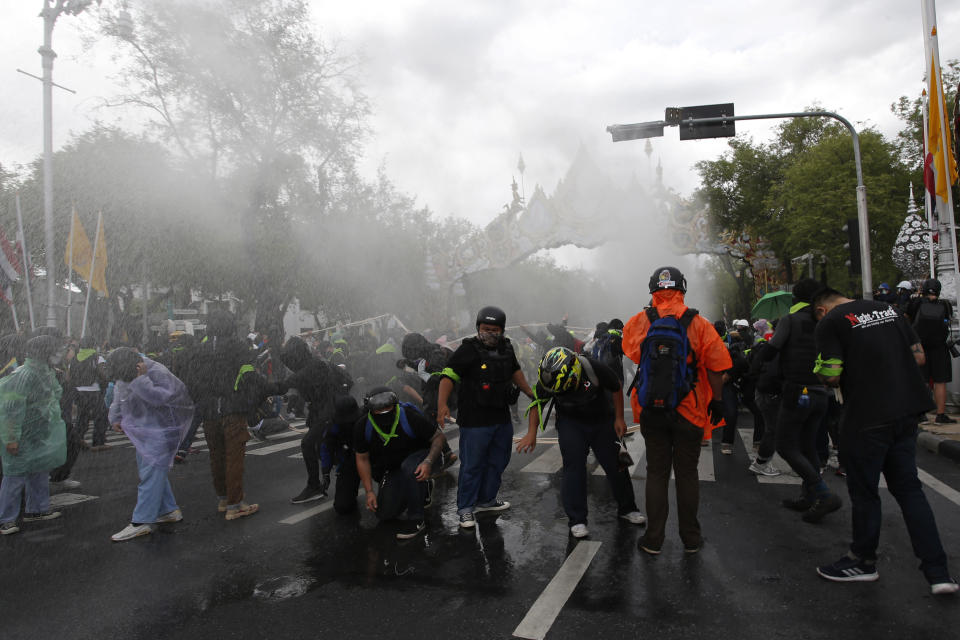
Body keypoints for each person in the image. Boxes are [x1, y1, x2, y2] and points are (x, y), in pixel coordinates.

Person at [812, 287, 958, 594]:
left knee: (865, 492)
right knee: (909, 490)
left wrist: (822, 369)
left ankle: (862, 561)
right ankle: (938, 573)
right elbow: (919, 357)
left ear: (821, 310)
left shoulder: (831, 322)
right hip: (907, 411)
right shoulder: (888, 310)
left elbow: (833, 374)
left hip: (867, 415)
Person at [622, 266, 732, 554]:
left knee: (656, 472)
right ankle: (691, 539)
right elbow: (717, 367)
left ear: (652, 290)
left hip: (652, 410)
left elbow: (632, 352)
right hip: (691, 410)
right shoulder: (699, 323)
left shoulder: (640, 321)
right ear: (682, 288)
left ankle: (654, 540)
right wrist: (717, 401)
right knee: (687, 474)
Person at [516, 347, 646, 538]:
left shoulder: (594, 368)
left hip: (602, 420)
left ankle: (628, 508)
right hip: (571, 422)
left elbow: (616, 387)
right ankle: (577, 520)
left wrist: (619, 418)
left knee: (616, 465)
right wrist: (531, 432)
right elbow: (537, 403)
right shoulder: (549, 377)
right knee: (573, 467)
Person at [438, 306, 535, 529]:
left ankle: (486, 500)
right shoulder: (467, 350)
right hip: (474, 420)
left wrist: (530, 392)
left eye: (494, 329)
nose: (489, 332)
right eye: (485, 328)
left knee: (498, 461)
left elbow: (515, 371)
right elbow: (448, 376)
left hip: (501, 417)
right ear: (478, 328)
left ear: (501, 330)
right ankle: (465, 508)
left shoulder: (507, 348)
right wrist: (442, 404)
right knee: (472, 465)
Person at [763, 278, 843, 523]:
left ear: (795, 298)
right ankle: (808, 497)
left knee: (786, 445)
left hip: (798, 391)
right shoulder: (826, 322)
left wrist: (761, 351)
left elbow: (772, 349)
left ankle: (822, 492)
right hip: (821, 393)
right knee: (808, 445)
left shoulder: (790, 320)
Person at [106, 348, 194, 542]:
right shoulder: (126, 370)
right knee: (152, 471)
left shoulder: (156, 372)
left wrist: (142, 379)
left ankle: (141, 521)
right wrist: (115, 418)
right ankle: (168, 510)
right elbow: (119, 395)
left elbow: (163, 397)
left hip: (161, 431)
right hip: (144, 431)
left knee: (151, 473)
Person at [183, 310, 263, 521]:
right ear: (231, 326)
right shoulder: (238, 347)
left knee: (216, 455)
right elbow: (249, 377)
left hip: (209, 412)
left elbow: (190, 382)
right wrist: (256, 399)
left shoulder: (198, 350)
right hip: (232, 410)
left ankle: (223, 499)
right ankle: (235, 505)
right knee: (234, 456)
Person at [355, 387, 446, 539]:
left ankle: (417, 519)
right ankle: (422, 488)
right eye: (379, 409)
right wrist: (369, 491)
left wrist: (428, 461)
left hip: (424, 460)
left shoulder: (409, 416)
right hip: (395, 468)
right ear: (369, 408)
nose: (384, 411)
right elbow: (362, 458)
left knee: (410, 468)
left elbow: (439, 438)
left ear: (395, 403)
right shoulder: (362, 426)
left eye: (388, 407)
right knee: (385, 514)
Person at [0, 336, 68, 535]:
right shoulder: (25, 374)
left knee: (39, 469)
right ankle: (6, 519)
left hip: (38, 433)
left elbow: (54, 395)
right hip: (21, 434)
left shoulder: (44, 372)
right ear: (44, 352)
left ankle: (37, 509)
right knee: (15, 475)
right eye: (54, 350)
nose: (58, 354)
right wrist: (11, 438)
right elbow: (12, 409)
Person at [276, 336, 353, 504]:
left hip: (329, 411)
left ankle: (315, 486)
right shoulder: (317, 362)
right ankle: (342, 469)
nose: (290, 365)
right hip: (325, 409)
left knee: (308, 443)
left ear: (297, 355)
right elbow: (348, 379)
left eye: (290, 359)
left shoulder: (312, 366)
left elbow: (282, 386)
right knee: (324, 445)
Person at [905, 278, 955, 424]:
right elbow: (948, 321)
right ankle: (940, 415)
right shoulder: (945, 304)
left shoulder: (915, 303)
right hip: (940, 347)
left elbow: (906, 319)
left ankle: (921, 414)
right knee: (940, 381)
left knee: (922, 380)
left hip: (919, 347)